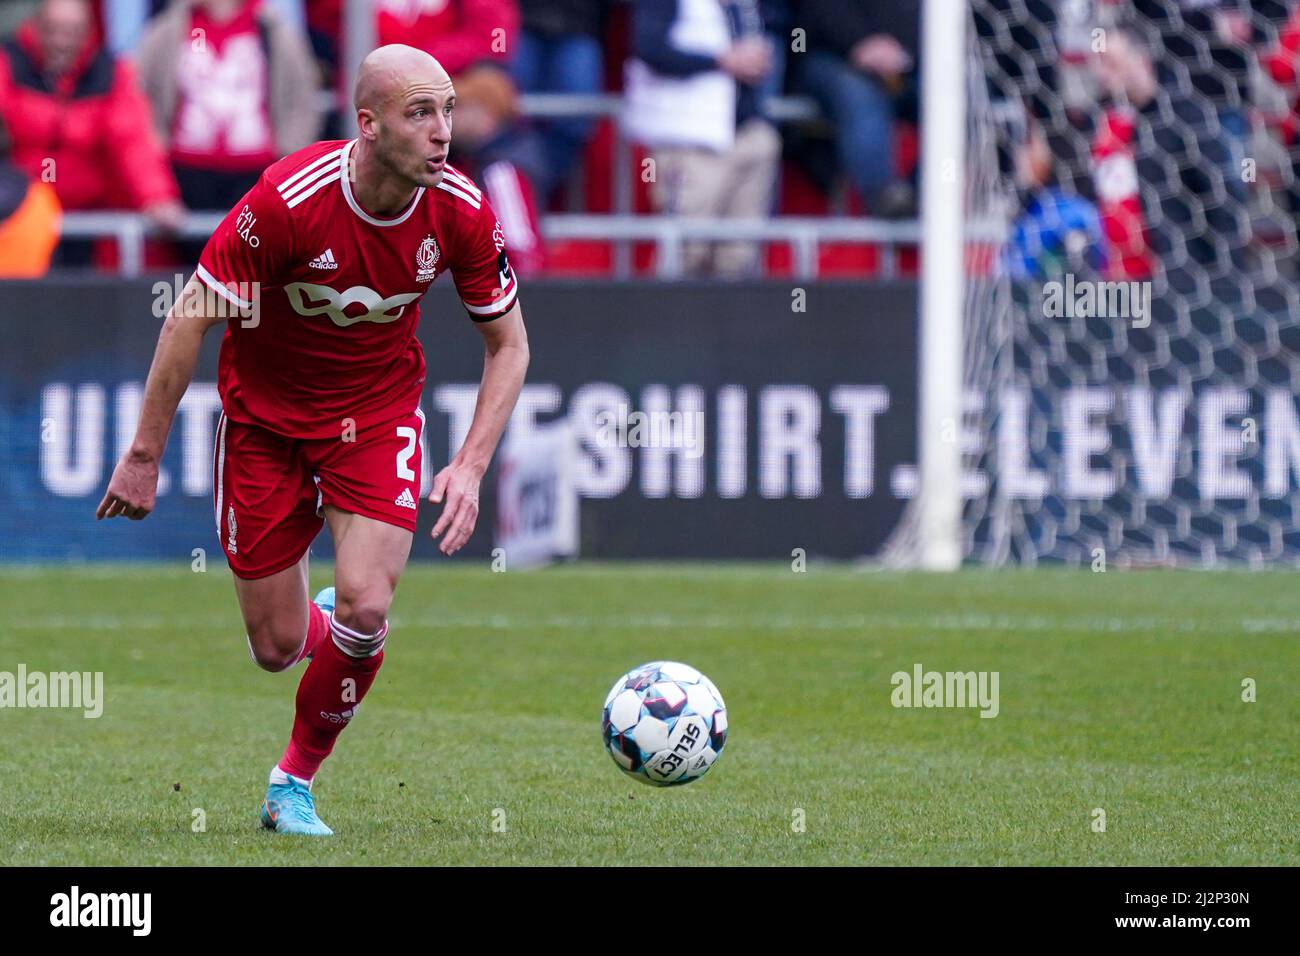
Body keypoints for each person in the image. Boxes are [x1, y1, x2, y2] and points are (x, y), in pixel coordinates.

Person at [96, 44, 531, 836]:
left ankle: (291, 782)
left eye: (446, 111)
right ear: (367, 126)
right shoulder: (287, 202)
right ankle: (325, 632)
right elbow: (190, 313)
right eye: (420, 113)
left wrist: (469, 465)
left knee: (371, 603)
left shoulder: (461, 210)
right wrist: (143, 456)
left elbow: (511, 344)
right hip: (265, 427)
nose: (443, 131)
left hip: (377, 420)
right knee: (276, 646)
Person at [0, 0, 183, 239]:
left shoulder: (110, 73)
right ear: (36, 26)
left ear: (88, 32)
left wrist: (157, 197)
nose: (61, 42)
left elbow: (133, 140)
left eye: (71, 32)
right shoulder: (9, 63)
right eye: (52, 30)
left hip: (91, 215)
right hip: (20, 212)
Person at [624, 0, 780, 277]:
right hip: (691, 141)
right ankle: (668, 319)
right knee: (685, 253)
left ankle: (735, 321)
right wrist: (721, 60)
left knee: (739, 257)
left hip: (747, 134)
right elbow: (648, 48)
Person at [135, 0, 322, 215]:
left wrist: (288, 162)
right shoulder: (169, 30)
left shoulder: (272, 29)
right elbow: (142, 96)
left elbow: (301, 98)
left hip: (258, 174)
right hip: (183, 176)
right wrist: (157, 176)